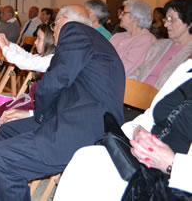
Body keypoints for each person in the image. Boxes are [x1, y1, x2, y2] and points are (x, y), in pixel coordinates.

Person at [0, 5, 125, 201]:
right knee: (6, 131)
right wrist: (32, 114)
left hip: (82, 130)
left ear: (63, 21)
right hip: (80, 120)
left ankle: (8, 171)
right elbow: (67, 87)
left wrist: (39, 115)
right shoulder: (93, 41)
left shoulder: (74, 30)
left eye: (55, 23)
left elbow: (54, 81)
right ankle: (10, 183)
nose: (54, 29)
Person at [54, 59, 192, 200]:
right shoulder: (187, 68)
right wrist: (138, 132)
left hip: (175, 181)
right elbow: (150, 116)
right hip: (143, 156)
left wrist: (171, 164)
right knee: (89, 156)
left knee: (107, 180)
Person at [0, 23, 56, 128]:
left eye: (39, 39)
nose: (35, 42)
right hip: (34, 101)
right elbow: (27, 56)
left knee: (3, 118)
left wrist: (3, 47)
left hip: (38, 106)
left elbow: (25, 62)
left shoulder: (50, 60)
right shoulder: (48, 57)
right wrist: (9, 45)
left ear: (49, 42)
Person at [130, 0, 192, 90]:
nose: (166, 24)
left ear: (189, 22)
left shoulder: (189, 54)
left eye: (171, 19)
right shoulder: (158, 46)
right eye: (166, 19)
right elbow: (138, 72)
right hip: (136, 98)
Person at [109, 0, 156, 76]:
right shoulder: (117, 36)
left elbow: (123, 70)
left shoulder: (146, 40)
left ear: (135, 18)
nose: (120, 16)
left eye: (123, 13)